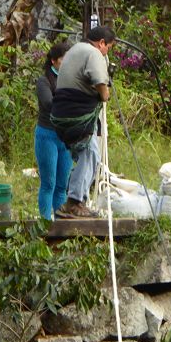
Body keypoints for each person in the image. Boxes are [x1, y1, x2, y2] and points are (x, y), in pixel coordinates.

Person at [51, 26, 116, 218]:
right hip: (76, 113)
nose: (106, 53)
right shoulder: (92, 53)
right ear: (101, 43)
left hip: (62, 114)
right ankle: (74, 201)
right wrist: (105, 95)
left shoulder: (74, 50)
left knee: (86, 154)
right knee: (90, 152)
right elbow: (98, 79)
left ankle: (75, 199)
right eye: (108, 48)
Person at [34, 42, 73, 220]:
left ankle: (60, 223)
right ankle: (45, 222)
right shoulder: (44, 81)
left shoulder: (72, 79)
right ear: (54, 61)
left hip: (65, 137)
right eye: (64, 59)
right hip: (47, 135)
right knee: (49, 182)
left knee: (62, 185)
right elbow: (48, 103)